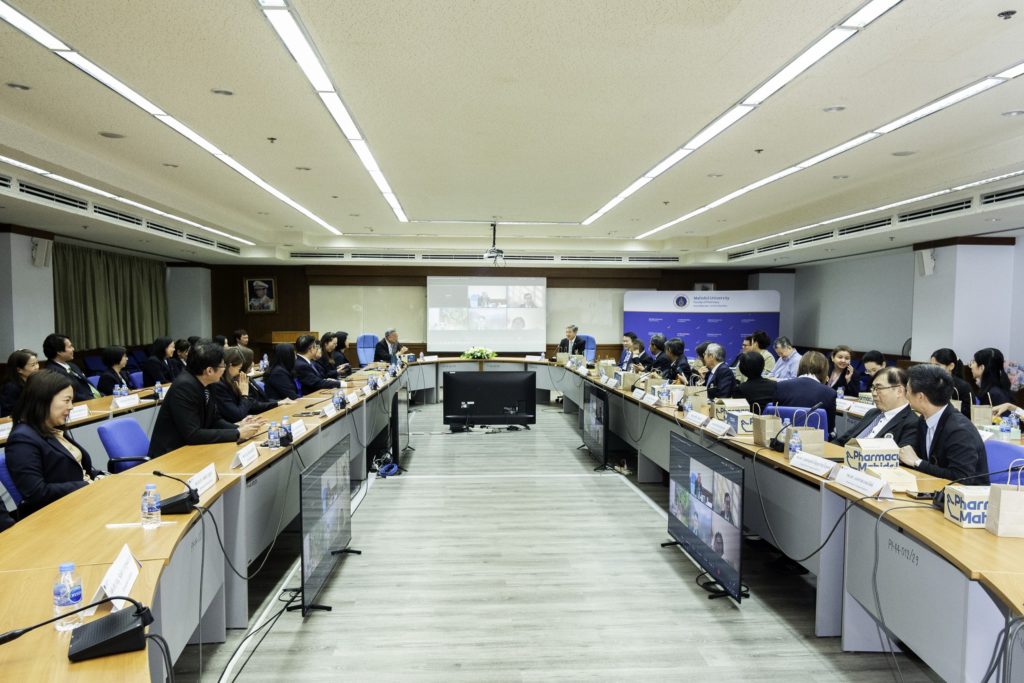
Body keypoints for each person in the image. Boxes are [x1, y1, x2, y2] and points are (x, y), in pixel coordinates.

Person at [5, 371, 105, 516]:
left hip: (84, 498)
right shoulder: (22, 440)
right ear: (44, 399)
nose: (71, 406)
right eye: (66, 400)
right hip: (61, 513)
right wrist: (86, 485)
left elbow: (78, 468)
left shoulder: (52, 428)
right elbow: (36, 493)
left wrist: (99, 476)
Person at [147, 341, 262, 458]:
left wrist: (239, 427)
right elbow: (193, 434)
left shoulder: (208, 382)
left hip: (191, 449)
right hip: (169, 454)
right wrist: (237, 433)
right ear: (209, 371)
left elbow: (214, 419)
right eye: (223, 365)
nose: (224, 369)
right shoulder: (184, 387)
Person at [898, 365, 989, 485]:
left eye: (908, 390)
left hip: (965, 494)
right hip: (932, 487)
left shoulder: (960, 431)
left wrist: (917, 462)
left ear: (920, 397)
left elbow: (961, 478)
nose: (906, 395)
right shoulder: (924, 419)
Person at [835, 367, 918, 447]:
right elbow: (843, 440)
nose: (874, 393)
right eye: (873, 388)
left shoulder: (912, 423)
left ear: (899, 391)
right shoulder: (872, 413)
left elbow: (901, 455)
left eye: (879, 388)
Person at [209, 346, 293, 422]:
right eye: (239, 368)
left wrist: (278, 403)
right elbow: (238, 414)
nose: (252, 363)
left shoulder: (237, 379)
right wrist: (244, 395)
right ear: (230, 366)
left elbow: (253, 403)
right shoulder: (221, 384)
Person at [773, 351, 837, 436]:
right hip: (815, 440)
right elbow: (829, 428)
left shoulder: (780, 386)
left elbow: (774, 417)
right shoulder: (829, 393)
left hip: (782, 437)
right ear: (824, 370)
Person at [41, 333, 98, 402]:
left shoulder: (72, 365)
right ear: (59, 351)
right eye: (70, 347)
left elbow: (88, 386)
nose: (73, 349)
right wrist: (94, 400)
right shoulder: (52, 372)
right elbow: (71, 395)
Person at [930, 348, 973, 418]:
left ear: (951, 366)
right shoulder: (929, 383)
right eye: (931, 365)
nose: (932, 369)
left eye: (937, 365)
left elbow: (969, 411)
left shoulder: (963, 387)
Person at [1, 349, 40, 417]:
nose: (37, 367)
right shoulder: (11, 387)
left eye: (37, 363)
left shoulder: (34, 381)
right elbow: (9, 414)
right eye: (33, 365)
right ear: (19, 370)